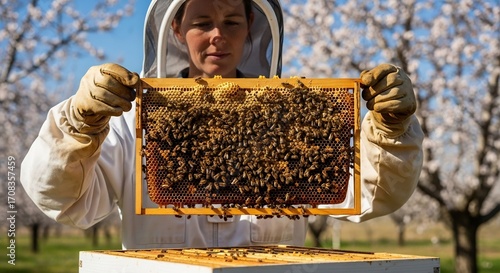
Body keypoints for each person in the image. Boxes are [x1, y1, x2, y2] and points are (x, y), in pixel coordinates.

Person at [21, 0, 423, 249]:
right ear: (176, 29)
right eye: (202, 22)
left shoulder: (292, 119)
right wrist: (78, 124)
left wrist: (390, 130)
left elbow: (371, 194)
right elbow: (64, 201)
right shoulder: (133, 122)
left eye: (232, 21)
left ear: (251, 27)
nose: (217, 36)